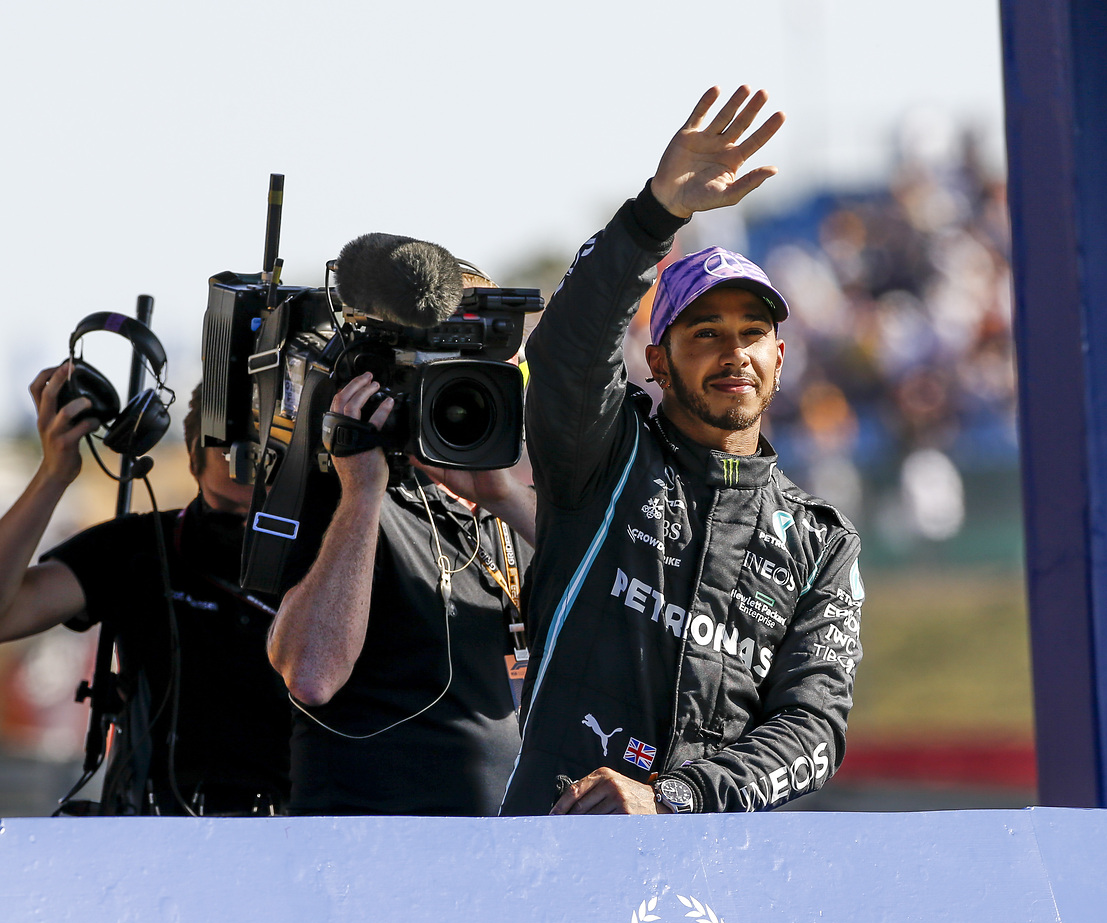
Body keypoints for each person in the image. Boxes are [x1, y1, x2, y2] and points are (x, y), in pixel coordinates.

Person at [503, 86, 865, 816]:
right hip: (554, 837)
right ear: (658, 362)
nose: (734, 353)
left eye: (752, 334)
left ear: (780, 358)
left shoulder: (823, 544)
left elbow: (814, 729)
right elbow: (568, 351)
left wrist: (672, 799)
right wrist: (655, 213)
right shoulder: (604, 455)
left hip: (713, 864)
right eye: (705, 333)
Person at [0, 367, 290, 814]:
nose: (246, 523)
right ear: (193, 457)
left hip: (304, 828)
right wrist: (53, 474)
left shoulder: (343, 560)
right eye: (227, 505)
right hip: (155, 824)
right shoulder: (138, 547)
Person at [267, 358, 538, 816]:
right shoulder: (353, 492)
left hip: (508, 845)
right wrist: (361, 493)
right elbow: (311, 676)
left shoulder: (514, 509)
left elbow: (632, 612)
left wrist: (505, 497)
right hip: (375, 844)